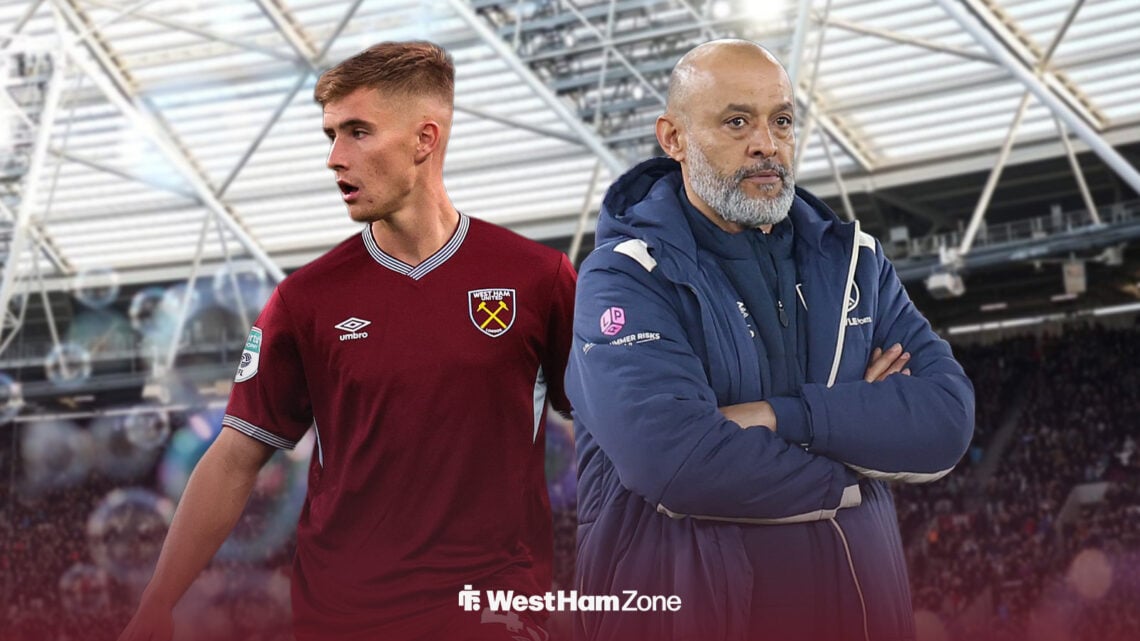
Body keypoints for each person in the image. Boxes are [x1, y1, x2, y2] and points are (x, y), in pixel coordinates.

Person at [118, 41, 575, 641]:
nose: (334, 158)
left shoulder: (537, 279)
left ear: (424, 139)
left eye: (358, 132)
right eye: (330, 134)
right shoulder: (305, 301)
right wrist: (159, 600)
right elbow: (234, 457)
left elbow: (614, 428)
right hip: (344, 618)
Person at [566, 39, 974, 641]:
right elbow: (677, 461)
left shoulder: (856, 262)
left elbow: (946, 419)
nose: (766, 143)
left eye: (781, 120)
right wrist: (855, 464)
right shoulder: (624, 275)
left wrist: (778, 417)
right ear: (672, 138)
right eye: (736, 122)